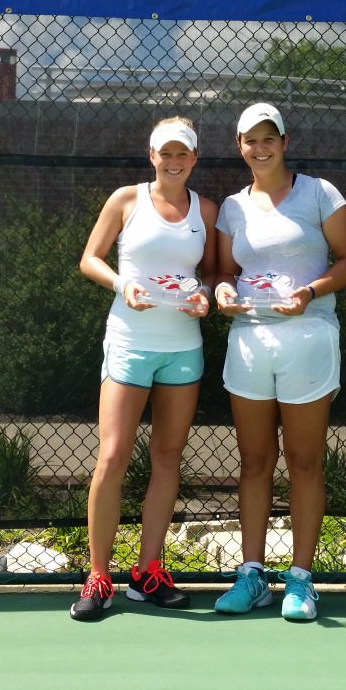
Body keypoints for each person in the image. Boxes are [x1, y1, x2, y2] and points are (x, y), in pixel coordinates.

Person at [213, 102, 346, 622]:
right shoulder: (233, 207)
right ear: (240, 147)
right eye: (250, 141)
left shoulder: (320, 193)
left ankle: (301, 580)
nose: (260, 148)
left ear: (284, 140)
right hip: (250, 341)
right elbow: (222, 272)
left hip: (309, 337)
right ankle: (251, 575)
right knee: (254, 463)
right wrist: (225, 291)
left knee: (304, 462)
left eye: (268, 138)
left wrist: (310, 292)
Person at [70, 116, 217, 621]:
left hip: (183, 350)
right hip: (130, 344)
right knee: (111, 457)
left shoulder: (208, 210)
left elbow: (215, 274)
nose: (174, 161)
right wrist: (120, 285)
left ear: (194, 158)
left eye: (183, 154)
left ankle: (147, 572)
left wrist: (205, 297)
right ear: (151, 155)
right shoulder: (125, 200)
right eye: (165, 153)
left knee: (168, 458)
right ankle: (98, 576)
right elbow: (90, 258)